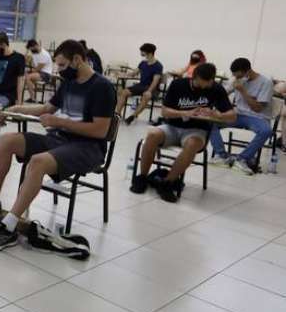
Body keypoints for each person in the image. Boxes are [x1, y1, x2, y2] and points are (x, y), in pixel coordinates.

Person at [0, 39, 115, 254]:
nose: (59, 70)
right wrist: (15, 109)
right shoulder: (69, 82)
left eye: (62, 65)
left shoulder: (102, 87)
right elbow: (47, 108)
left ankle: (9, 226)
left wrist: (59, 122)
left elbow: (100, 131)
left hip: (88, 148)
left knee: (37, 162)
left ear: (78, 60)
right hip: (61, 139)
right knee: (7, 141)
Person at [131, 62, 235, 203]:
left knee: (192, 144)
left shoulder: (216, 88)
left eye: (211, 81)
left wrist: (216, 114)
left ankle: (167, 182)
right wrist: (184, 113)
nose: (208, 85)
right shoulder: (178, 85)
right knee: (152, 135)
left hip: (197, 130)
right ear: (195, 77)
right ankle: (142, 177)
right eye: (205, 82)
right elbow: (164, 111)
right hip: (173, 127)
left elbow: (232, 116)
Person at [208, 58, 273, 175]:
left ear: (247, 72)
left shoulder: (266, 83)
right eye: (234, 75)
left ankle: (242, 159)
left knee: (266, 130)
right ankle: (221, 156)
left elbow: (258, 108)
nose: (236, 78)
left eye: (238, 75)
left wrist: (243, 91)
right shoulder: (237, 79)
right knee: (209, 122)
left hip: (258, 117)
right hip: (238, 114)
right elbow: (222, 94)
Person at [115, 43, 164, 125]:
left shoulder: (158, 66)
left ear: (149, 52)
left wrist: (149, 91)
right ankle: (117, 115)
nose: (141, 53)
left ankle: (133, 116)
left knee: (146, 95)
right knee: (124, 92)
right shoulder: (143, 63)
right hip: (141, 85)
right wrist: (122, 74)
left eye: (143, 51)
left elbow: (155, 81)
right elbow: (133, 73)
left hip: (152, 88)